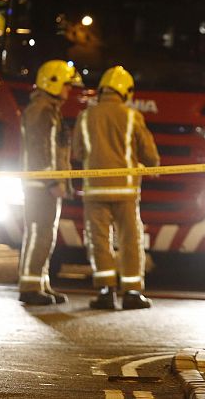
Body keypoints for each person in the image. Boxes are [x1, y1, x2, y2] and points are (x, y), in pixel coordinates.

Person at [72, 66, 160, 310]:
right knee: (130, 240)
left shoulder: (85, 116)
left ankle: (105, 291)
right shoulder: (132, 116)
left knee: (99, 241)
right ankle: (131, 292)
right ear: (126, 91)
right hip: (126, 190)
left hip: (95, 190)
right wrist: (151, 165)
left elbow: (78, 152)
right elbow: (150, 155)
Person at [18, 59, 82, 306]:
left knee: (46, 234)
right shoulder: (42, 110)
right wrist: (50, 181)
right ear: (53, 83)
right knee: (39, 234)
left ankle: (40, 283)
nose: (68, 90)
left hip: (44, 184)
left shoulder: (48, 108)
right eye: (66, 85)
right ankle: (30, 286)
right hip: (40, 185)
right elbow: (40, 151)